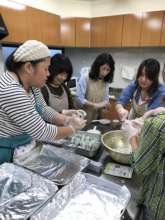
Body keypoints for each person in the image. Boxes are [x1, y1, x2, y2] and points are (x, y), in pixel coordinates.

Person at [0, 40, 86, 165]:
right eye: (45, 69)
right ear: (28, 67)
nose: (48, 73)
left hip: (23, 146)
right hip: (8, 152)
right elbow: (42, 131)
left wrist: (66, 120)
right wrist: (72, 128)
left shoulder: (31, 84)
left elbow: (43, 109)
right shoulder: (11, 90)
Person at [121, 68, 165, 220]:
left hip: (159, 207)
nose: (143, 79)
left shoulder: (158, 123)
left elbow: (141, 167)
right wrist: (121, 109)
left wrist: (133, 135)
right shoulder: (134, 86)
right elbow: (122, 99)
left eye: (149, 76)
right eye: (141, 75)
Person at [76, 53, 115, 123]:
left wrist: (106, 106)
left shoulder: (105, 81)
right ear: (97, 67)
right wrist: (94, 105)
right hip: (84, 116)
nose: (105, 73)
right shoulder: (85, 78)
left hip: (97, 117)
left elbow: (105, 99)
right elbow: (79, 99)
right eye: (103, 69)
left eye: (108, 70)